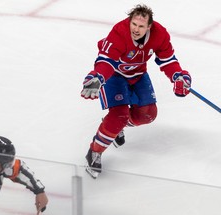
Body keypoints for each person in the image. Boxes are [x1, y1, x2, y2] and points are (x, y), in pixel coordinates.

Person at [81, 4, 192, 178]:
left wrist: (178, 76)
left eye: (141, 26)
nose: (136, 29)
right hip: (114, 76)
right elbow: (106, 61)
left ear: (149, 27)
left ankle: (114, 126)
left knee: (148, 115)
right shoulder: (119, 32)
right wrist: (98, 77)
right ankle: (94, 151)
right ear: (129, 21)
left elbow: (168, 59)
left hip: (138, 74)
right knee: (119, 115)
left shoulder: (159, 34)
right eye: (134, 24)